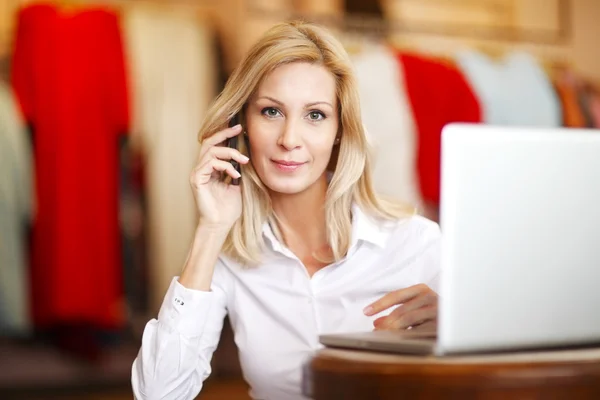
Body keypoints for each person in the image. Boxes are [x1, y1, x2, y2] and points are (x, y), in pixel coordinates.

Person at [132, 20, 441, 400]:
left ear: (339, 129)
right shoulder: (230, 253)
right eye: (271, 112)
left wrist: (457, 336)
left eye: (315, 115)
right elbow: (158, 394)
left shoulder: (416, 242)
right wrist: (211, 229)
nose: (289, 140)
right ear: (241, 121)